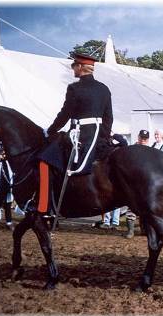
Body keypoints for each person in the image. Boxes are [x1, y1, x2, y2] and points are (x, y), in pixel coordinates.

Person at [34, 52, 113, 215]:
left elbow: (65, 114)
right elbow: (108, 118)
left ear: (80, 67)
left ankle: (44, 206)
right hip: (98, 135)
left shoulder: (75, 88)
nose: (73, 70)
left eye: (74, 66)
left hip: (80, 135)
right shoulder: (104, 89)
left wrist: (50, 130)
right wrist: (103, 138)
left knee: (45, 159)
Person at [124, 130, 150, 238]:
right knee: (132, 205)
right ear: (138, 137)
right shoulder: (131, 150)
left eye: (145, 139)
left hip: (146, 182)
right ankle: (130, 230)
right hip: (133, 181)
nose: (143, 141)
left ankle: (144, 228)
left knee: (146, 206)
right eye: (142, 138)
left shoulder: (150, 151)